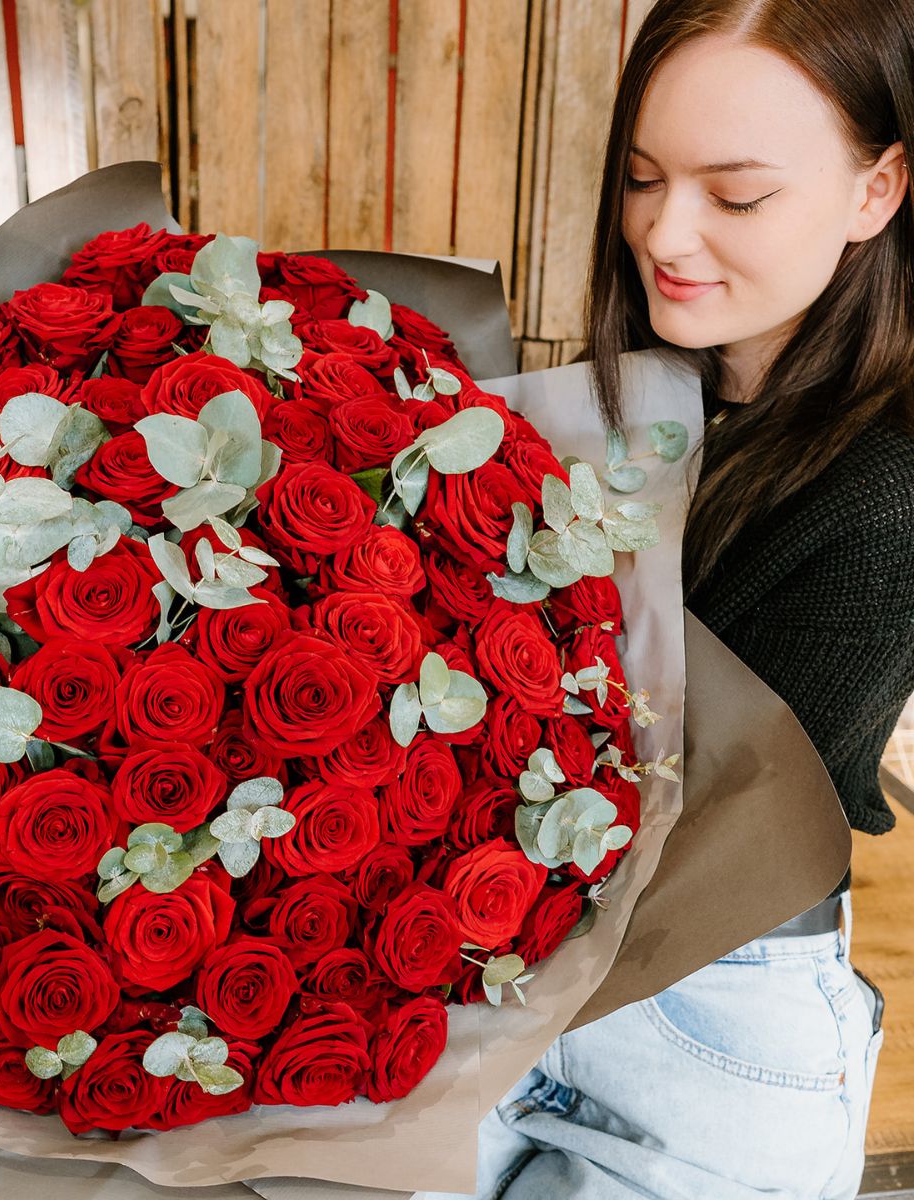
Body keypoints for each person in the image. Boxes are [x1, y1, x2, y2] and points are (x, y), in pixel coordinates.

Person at [425, 0, 914, 1196]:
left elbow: (698, 812)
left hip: (711, 1012)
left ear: (876, 191)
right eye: (642, 177)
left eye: (735, 195)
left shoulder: (892, 491)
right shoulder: (645, 407)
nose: (666, 233)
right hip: (521, 964)